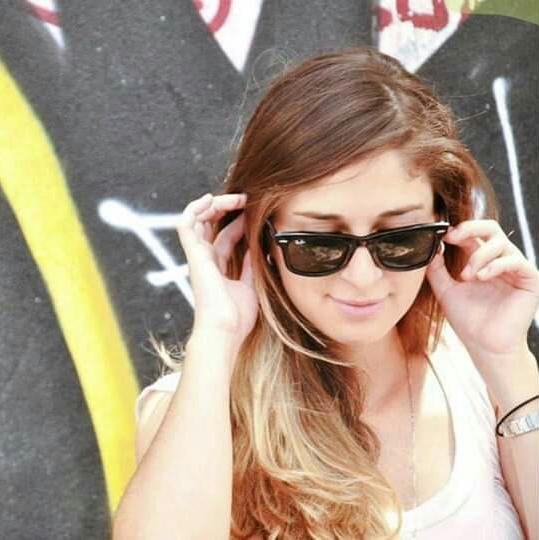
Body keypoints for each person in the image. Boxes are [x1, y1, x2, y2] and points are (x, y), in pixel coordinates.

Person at [112, 47, 539, 539]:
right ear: (263, 237)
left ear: (445, 227)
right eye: (319, 245)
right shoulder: (199, 411)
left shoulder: (483, 383)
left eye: (399, 239)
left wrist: (506, 359)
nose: (363, 277)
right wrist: (217, 334)